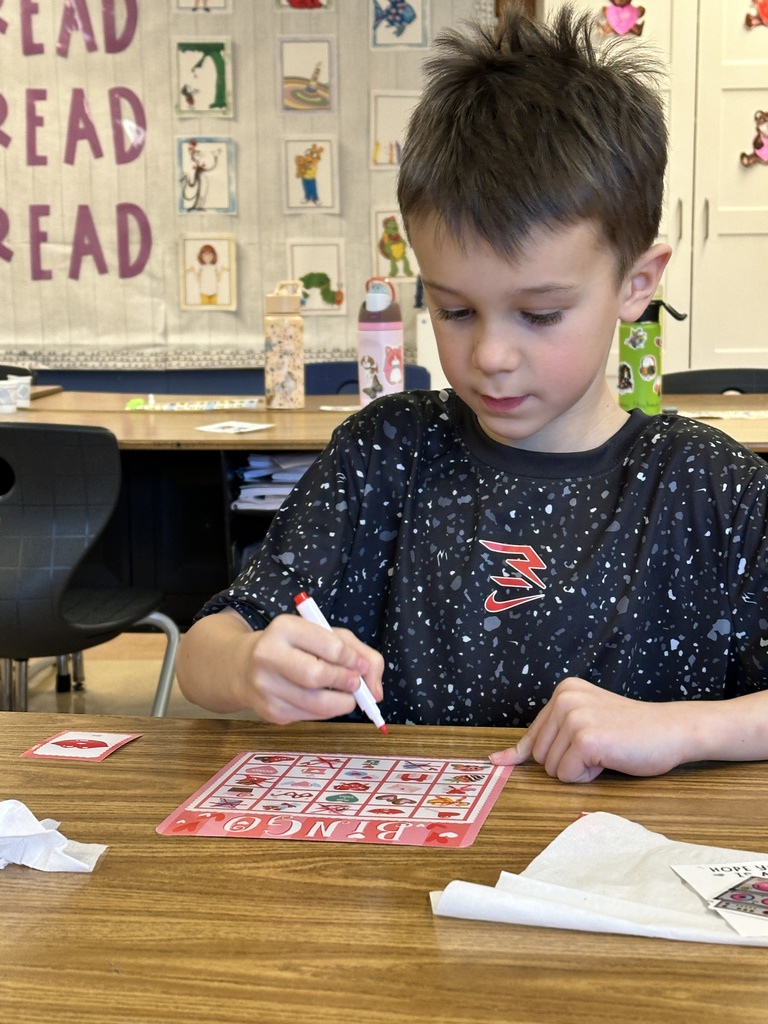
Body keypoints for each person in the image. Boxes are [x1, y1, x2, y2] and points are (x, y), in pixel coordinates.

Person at [177, 4, 768, 784]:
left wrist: (683, 729)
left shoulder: (713, 490)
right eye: (453, 310)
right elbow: (201, 653)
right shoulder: (386, 453)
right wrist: (253, 662)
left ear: (636, 283)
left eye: (541, 314)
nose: (490, 355)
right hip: (399, 881)